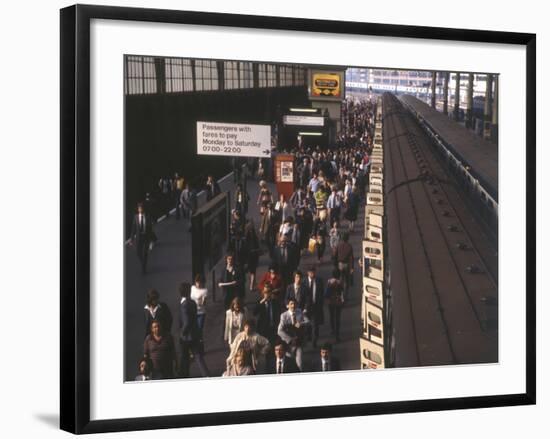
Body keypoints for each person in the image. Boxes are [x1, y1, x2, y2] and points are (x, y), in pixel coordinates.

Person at [178, 282, 210, 378]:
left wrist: (182, 333)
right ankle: (206, 375)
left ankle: (184, 376)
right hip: (195, 334)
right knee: (198, 356)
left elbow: (186, 322)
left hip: (186, 337)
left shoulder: (184, 305)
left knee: (184, 357)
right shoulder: (192, 302)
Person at [278, 297, 309, 371]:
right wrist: (290, 340)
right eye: (291, 304)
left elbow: (308, 321)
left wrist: (301, 323)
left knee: (300, 364)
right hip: (289, 345)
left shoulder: (299, 312)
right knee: (289, 363)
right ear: (287, 305)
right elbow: (279, 331)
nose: (293, 306)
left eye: (294, 304)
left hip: (299, 342)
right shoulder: (283, 316)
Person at [129, 202, 155, 273]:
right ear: (138, 209)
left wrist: (152, 240)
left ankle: (144, 268)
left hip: (146, 237)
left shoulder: (147, 217)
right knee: (138, 252)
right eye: (139, 208)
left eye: (141, 208)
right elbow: (133, 229)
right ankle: (143, 262)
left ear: (143, 209)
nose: (140, 209)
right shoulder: (135, 217)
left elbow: (150, 229)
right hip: (138, 238)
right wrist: (131, 239)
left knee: (145, 253)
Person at [305, 266, 324, 347]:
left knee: (315, 325)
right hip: (306, 307)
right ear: (307, 273)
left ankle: (314, 340)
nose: (312, 274)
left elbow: (322, 293)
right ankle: (308, 335)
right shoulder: (304, 282)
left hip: (316, 306)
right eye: (310, 272)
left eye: (313, 272)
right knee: (307, 324)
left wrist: (320, 304)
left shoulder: (319, 281)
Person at [325, 269, 344, 342]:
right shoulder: (340, 282)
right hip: (338, 301)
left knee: (332, 316)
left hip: (331, 302)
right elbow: (342, 291)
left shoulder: (329, 281)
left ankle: (333, 329)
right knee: (337, 318)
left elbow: (327, 292)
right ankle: (337, 334)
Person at [334, 232, 354, 298]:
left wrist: (335, 264)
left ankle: (339, 293)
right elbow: (351, 258)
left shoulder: (338, 245)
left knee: (340, 279)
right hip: (347, 264)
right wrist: (352, 267)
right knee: (346, 280)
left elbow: (335, 255)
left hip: (340, 264)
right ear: (348, 239)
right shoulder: (349, 246)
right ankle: (345, 295)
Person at [243, 220, 261, 292]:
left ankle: (252, 283)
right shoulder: (254, 235)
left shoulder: (245, 236)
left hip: (248, 256)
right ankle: (252, 284)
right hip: (254, 255)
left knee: (251, 271)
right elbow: (257, 245)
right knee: (253, 271)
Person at [190, 274, 207, 347]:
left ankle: (200, 346)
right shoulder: (192, 288)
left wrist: (202, 301)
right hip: (193, 312)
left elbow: (204, 303)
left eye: (200, 282)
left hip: (201, 312)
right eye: (197, 282)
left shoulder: (204, 291)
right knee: (193, 329)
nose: (198, 284)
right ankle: (194, 346)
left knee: (199, 330)